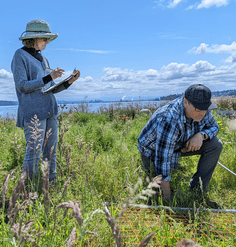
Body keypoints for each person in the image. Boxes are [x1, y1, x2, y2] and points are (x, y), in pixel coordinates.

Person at [11, 19, 80, 182]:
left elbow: (50, 87)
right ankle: (28, 189)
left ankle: (50, 185)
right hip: (33, 112)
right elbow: (22, 86)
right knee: (34, 152)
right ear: (33, 38)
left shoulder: (44, 59)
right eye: (45, 39)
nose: (47, 42)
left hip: (50, 110)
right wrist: (49, 76)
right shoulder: (19, 56)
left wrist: (69, 82)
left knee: (51, 150)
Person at [138, 84, 223, 200]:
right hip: (153, 151)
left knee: (215, 145)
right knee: (156, 190)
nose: (202, 114)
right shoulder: (169, 119)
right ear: (185, 102)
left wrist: (201, 135)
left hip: (179, 145)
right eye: (198, 110)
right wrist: (167, 200)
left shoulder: (203, 109)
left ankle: (197, 190)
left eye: (205, 109)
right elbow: (162, 160)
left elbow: (214, 127)